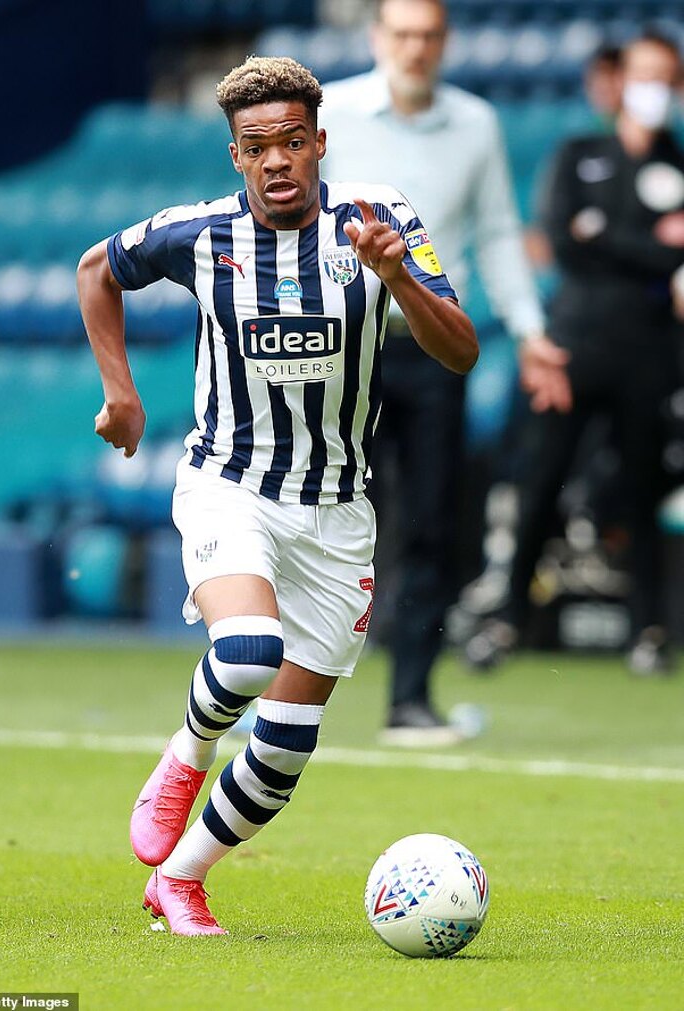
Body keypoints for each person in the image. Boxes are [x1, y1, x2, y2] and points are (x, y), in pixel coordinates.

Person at [77, 56, 478, 936]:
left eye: (292, 142)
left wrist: (398, 278)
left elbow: (460, 350)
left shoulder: (382, 218)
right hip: (231, 485)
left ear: (319, 142)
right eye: (257, 147)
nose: (276, 161)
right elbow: (96, 269)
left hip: (337, 512)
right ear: (236, 156)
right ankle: (186, 754)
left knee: (288, 737)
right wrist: (121, 393)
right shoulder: (199, 233)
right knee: (249, 651)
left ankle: (180, 880)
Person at [319, 0, 569, 744]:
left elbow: (497, 233)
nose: (416, 47)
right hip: (343, 347)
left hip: (432, 348)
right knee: (320, 518)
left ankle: (410, 701)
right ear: (378, 38)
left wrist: (530, 331)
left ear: (445, 42)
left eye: (428, 35)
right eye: (403, 33)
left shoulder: (475, 123)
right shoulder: (332, 114)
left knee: (431, 523)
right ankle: (284, 698)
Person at [465, 31, 684, 675]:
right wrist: (652, 246)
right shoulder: (581, 153)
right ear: (620, 80)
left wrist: (604, 235)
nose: (652, 89)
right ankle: (507, 617)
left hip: (650, 351)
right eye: (643, 74)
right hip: (573, 346)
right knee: (541, 481)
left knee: (642, 489)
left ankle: (649, 630)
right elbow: (562, 240)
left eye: (664, 77)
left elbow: (605, 243)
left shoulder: (679, 163)